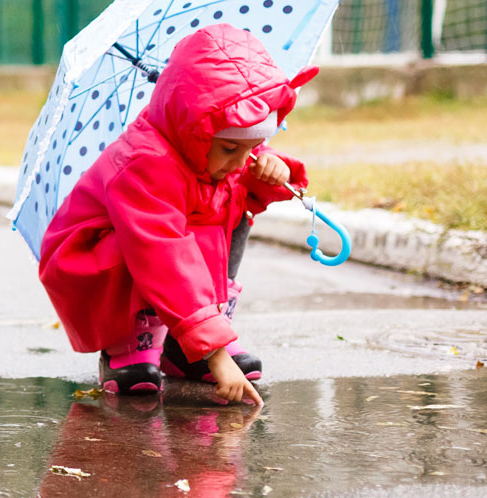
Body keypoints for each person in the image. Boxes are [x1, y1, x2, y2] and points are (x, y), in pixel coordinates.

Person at [39, 23, 316, 404]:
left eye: (251, 147)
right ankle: (127, 345)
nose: (240, 161)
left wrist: (269, 167)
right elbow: (162, 253)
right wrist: (218, 355)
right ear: (195, 127)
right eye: (231, 149)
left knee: (232, 204)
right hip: (98, 269)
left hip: (158, 261)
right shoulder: (143, 163)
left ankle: (184, 346)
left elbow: (237, 165)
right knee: (163, 238)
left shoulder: (211, 150)